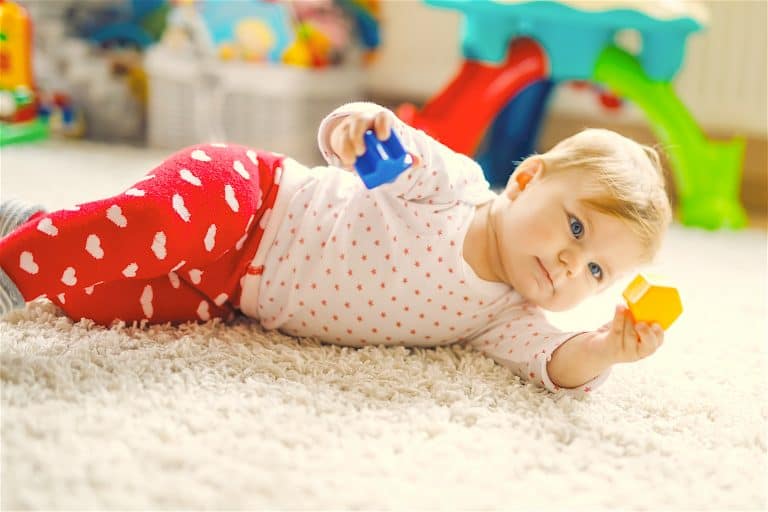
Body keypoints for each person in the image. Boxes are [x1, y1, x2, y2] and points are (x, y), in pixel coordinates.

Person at [0, 102, 672, 398]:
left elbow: (556, 365)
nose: (567, 265)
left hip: (231, 293)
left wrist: (607, 349)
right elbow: (392, 150)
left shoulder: (504, 318)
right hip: (251, 197)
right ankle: (13, 266)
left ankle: (31, 224)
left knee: (105, 299)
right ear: (525, 181)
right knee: (147, 228)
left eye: (594, 271)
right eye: (576, 230)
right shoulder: (456, 187)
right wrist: (360, 127)